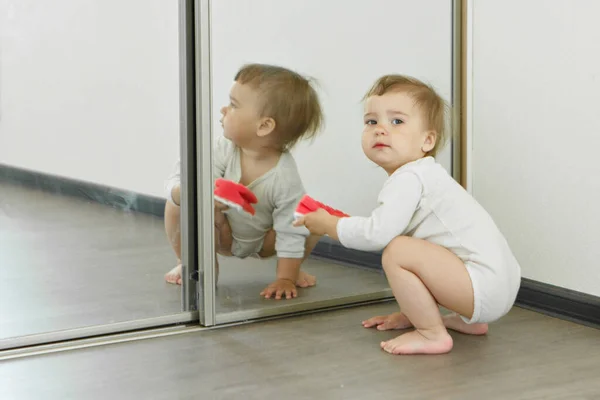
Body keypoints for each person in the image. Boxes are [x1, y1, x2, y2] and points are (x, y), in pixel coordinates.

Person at [294, 74, 521, 355]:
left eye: (397, 121)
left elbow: (377, 235)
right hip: (497, 284)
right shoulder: (423, 176)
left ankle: (431, 334)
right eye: (371, 121)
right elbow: (430, 258)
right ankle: (453, 320)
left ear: (427, 140)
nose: (380, 129)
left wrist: (331, 225)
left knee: (397, 250)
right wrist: (409, 312)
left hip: (484, 288)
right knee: (409, 247)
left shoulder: (409, 178)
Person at [164, 63, 324, 300]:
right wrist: (191, 193)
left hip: (263, 241)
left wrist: (285, 278)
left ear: (264, 126)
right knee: (176, 204)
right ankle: (189, 262)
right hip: (216, 231)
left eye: (233, 105)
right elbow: (179, 180)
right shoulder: (221, 148)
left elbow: (289, 228)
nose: (223, 110)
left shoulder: (284, 175)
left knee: (309, 220)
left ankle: (292, 268)